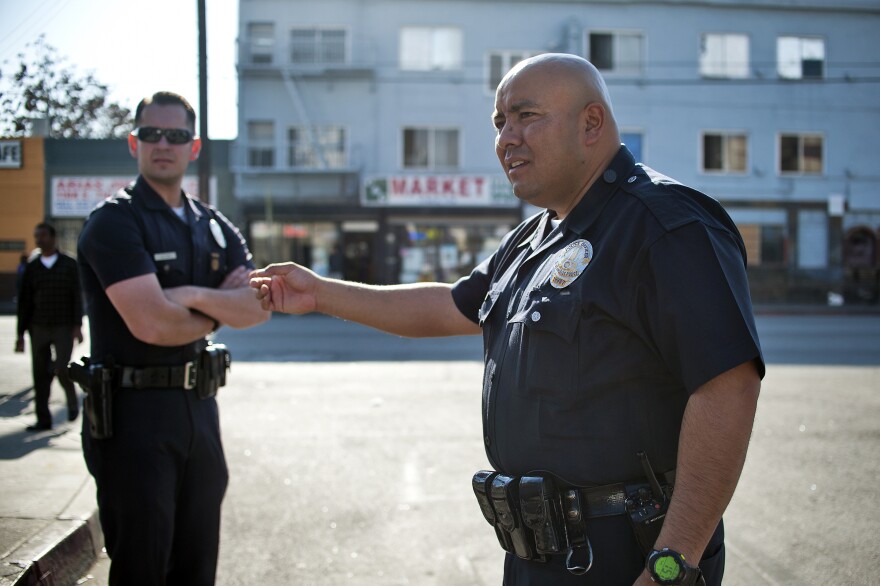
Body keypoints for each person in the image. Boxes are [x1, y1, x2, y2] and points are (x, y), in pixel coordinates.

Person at [250, 54, 764, 585]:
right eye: (500, 122)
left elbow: (727, 388)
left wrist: (673, 566)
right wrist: (321, 293)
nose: (506, 138)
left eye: (526, 116)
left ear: (592, 123)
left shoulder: (665, 225)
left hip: (628, 551)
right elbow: (448, 305)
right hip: (538, 550)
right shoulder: (531, 239)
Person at [76, 91, 269, 585]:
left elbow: (256, 306)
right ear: (133, 142)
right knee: (142, 566)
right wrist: (214, 306)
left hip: (199, 412)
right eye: (152, 134)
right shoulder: (114, 222)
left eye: (177, 135)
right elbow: (153, 325)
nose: (164, 144)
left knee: (197, 566)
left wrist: (183, 293)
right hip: (133, 418)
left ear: (195, 146)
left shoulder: (215, 227)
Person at [15, 223, 83, 431]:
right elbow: (25, 301)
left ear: (53, 238)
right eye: (37, 236)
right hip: (39, 327)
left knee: (62, 368)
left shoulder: (69, 264)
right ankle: (43, 419)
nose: (39, 240)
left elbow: (76, 297)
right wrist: (20, 334)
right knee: (40, 374)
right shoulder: (32, 268)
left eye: (43, 236)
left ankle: (72, 401)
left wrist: (78, 325)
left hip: (63, 326)